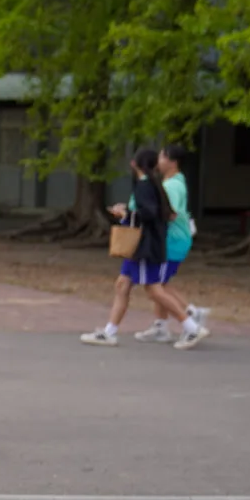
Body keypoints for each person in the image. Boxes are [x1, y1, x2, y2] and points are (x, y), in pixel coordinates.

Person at [80, 148, 209, 349]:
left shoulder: (146, 186)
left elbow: (151, 214)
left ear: (134, 164)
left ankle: (192, 326)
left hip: (145, 244)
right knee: (123, 284)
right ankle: (109, 332)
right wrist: (130, 212)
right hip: (144, 244)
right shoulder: (153, 184)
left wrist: (126, 215)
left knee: (154, 289)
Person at [136, 144, 210, 343]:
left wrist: (148, 214)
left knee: (155, 285)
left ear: (172, 162)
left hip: (173, 241)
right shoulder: (172, 181)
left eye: (161, 157)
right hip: (172, 240)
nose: (158, 161)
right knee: (161, 283)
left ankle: (190, 317)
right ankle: (162, 325)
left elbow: (172, 213)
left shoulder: (173, 186)